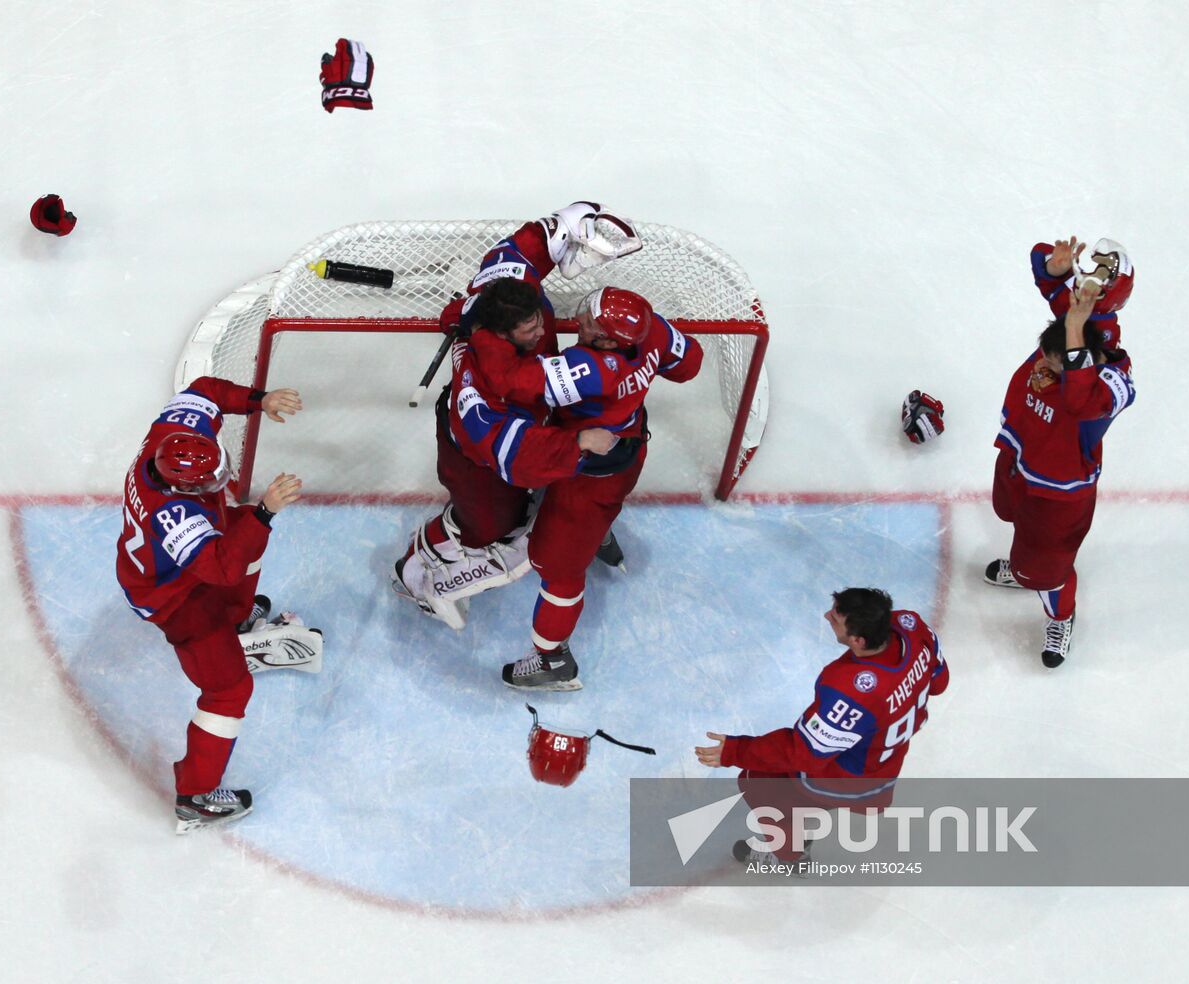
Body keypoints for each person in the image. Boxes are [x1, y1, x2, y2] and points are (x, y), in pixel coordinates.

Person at [391, 203, 639, 629]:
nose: (543, 332)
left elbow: (523, 249)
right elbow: (517, 455)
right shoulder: (485, 393)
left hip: (520, 422)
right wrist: (577, 443)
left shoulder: (506, 295)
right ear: (502, 334)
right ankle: (415, 566)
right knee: (486, 528)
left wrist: (571, 221)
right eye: (531, 332)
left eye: (538, 320)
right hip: (476, 460)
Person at [487, 286, 704, 690]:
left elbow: (511, 382)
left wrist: (479, 336)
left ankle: (553, 660)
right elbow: (689, 362)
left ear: (606, 341)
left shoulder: (592, 368)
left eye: (589, 320)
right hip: (628, 446)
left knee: (557, 569)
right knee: (605, 503)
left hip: (586, 479)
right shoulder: (650, 328)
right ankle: (599, 536)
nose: (581, 317)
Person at [116, 376, 306, 832]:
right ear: (182, 488)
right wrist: (265, 512)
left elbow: (204, 390)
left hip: (183, 569)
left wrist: (257, 400)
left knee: (238, 527)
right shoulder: (174, 515)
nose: (221, 481)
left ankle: (237, 620)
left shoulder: (173, 438)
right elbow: (220, 568)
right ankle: (195, 795)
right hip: (173, 598)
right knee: (228, 691)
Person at [695, 588, 948, 865]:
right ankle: (806, 816)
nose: (827, 616)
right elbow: (939, 682)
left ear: (858, 640)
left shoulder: (851, 690)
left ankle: (791, 857)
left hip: (852, 779)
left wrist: (735, 750)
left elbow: (803, 753)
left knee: (755, 781)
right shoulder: (911, 626)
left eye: (836, 619)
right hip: (882, 763)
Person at [985, 237, 1137, 667]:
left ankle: (1059, 611)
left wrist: (1073, 326)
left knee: (1046, 570)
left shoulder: (1110, 379)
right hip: (1020, 455)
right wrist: (1055, 268)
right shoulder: (1084, 321)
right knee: (1008, 513)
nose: (1044, 362)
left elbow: (1077, 399)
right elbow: (1045, 275)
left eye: (1105, 271)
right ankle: (1025, 563)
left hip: (1058, 494)